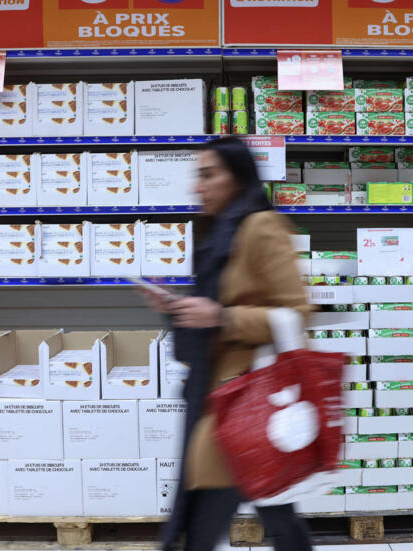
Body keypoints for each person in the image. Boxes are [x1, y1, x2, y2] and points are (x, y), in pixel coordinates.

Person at [138, 137, 313, 551]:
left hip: (245, 402)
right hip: (222, 397)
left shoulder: (261, 227)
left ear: (238, 178)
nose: (197, 187)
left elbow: (298, 313)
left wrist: (220, 316)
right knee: (278, 515)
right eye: (196, 176)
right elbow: (215, 310)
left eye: (208, 174)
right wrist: (175, 308)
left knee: (200, 522)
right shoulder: (218, 235)